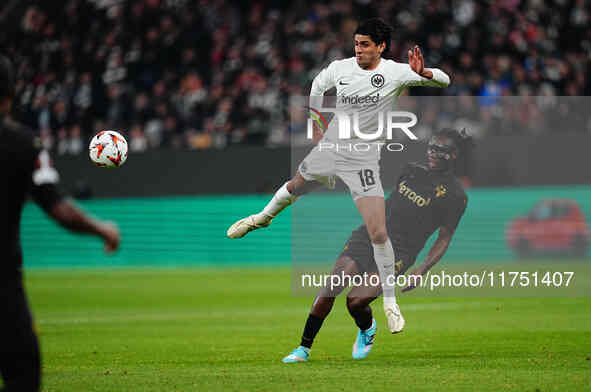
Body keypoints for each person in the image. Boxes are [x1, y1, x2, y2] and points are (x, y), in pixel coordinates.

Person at [227, 18, 451, 332]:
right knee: (295, 185)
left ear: (381, 47)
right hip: (332, 148)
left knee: (378, 233)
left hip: (364, 160)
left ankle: (389, 301)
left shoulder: (395, 72)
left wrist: (423, 73)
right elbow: (317, 86)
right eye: (356, 43)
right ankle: (262, 218)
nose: (358, 50)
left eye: (365, 45)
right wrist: (316, 122)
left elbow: (444, 80)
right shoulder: (340, 68)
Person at [282, 128, 473, 363]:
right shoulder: (411, 170)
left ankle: (367, 328)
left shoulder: (455, 195)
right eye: (432, 147)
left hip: (400, 253)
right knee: (332, 286)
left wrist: (422, 269)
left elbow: (445, 236)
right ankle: (303, 349)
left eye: (440, 150)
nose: (433, 153)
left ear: (453, 155)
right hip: (370, 235)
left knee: (356, 301)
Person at [0, 55, 120, 392]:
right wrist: (102, 230)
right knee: (22, 374)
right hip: (4, 287)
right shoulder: (23, 143)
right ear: (10, 94)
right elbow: (56, 207)